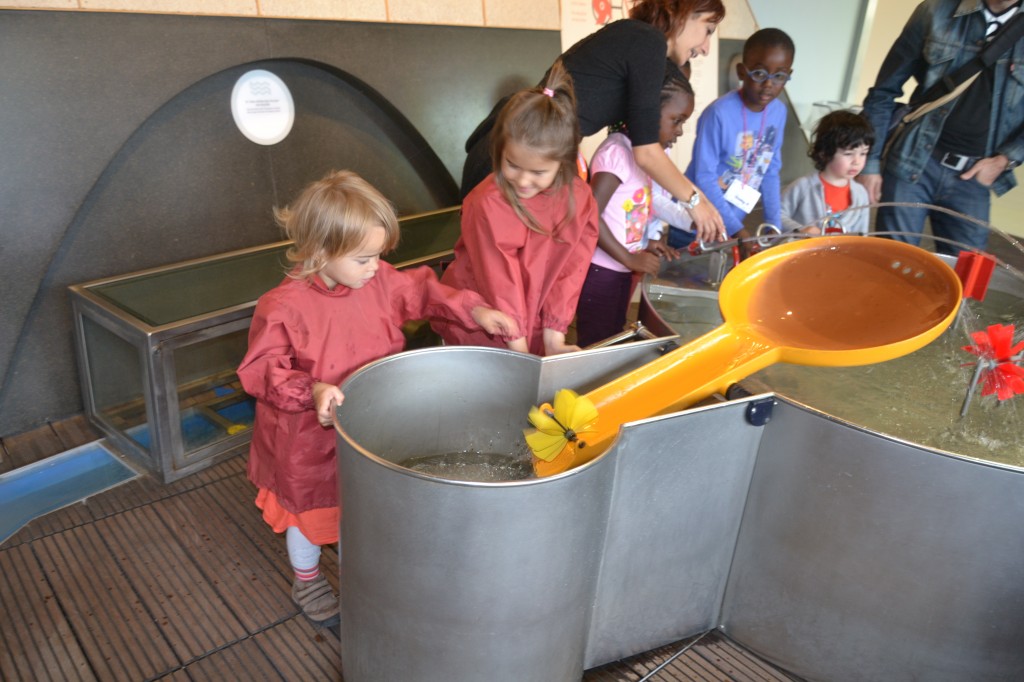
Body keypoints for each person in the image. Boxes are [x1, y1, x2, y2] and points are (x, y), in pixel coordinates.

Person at [236, 170, 517, 626]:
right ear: (321, 250)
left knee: (364, 507)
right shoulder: (283, 306)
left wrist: (475, 309)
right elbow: (262, 369)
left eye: (379, 256)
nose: (375, 267)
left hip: (372, 426)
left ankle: (361, 575)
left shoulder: (379, 281)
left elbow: (423, 291)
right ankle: (307, 579)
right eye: (363, 258)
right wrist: (313, 389)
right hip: (307, 441)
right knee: (310, 515)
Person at [460, 0, 727, 244]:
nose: (706, 48)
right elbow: (646, 152)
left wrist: (697, 202)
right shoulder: (648, 41)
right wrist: (695, 202)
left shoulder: (636, 38)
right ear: (684, 12)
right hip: (514, 160)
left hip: (514, 149)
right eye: (708, 30)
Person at [433, 63, 599, 356]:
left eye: (538, 172)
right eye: (512, 165)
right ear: (499, 150)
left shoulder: (580, 199)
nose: (522, 181)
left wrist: (554, 335)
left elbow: (570, 271)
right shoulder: (488, 202)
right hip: (483, 325)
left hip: (531, 322)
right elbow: (499, 282)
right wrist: (519, 351)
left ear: (563, 163)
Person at [860, 0, 1024, 255]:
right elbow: (882, 92)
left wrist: (1005, 160)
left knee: (966, 273)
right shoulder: (936, 10)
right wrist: (869, 164)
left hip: (974, 176)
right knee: (893, 265)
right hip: (912, 162)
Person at [574, 63, 692, 348]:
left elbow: (623, 214)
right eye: (676, 120)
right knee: (598, 345)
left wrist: (645, 244)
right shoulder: (617, 152)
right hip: (601, 273)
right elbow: (589, 215)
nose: (679, 132)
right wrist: (629, 258)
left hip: (619, 270)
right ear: (647, 112)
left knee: (614, 336)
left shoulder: (639, 155)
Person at [686, 27, 795, 239]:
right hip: (695, 221)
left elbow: (770, 171)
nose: (769, 84)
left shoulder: (778, 112)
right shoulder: (718, 114)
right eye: (759, 73)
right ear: (742, 72)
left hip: (734, 220)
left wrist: (774, 226)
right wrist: (736, 230)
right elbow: (704, 177)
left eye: (779, 76)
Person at [780, 110, 874, 235]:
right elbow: (777, 215)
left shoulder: (861, 194)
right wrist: (800, 229)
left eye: (863, 153)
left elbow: (862, 235)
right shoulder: (802, 186)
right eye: (848, 154)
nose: (857, 161)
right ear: (824, 153)